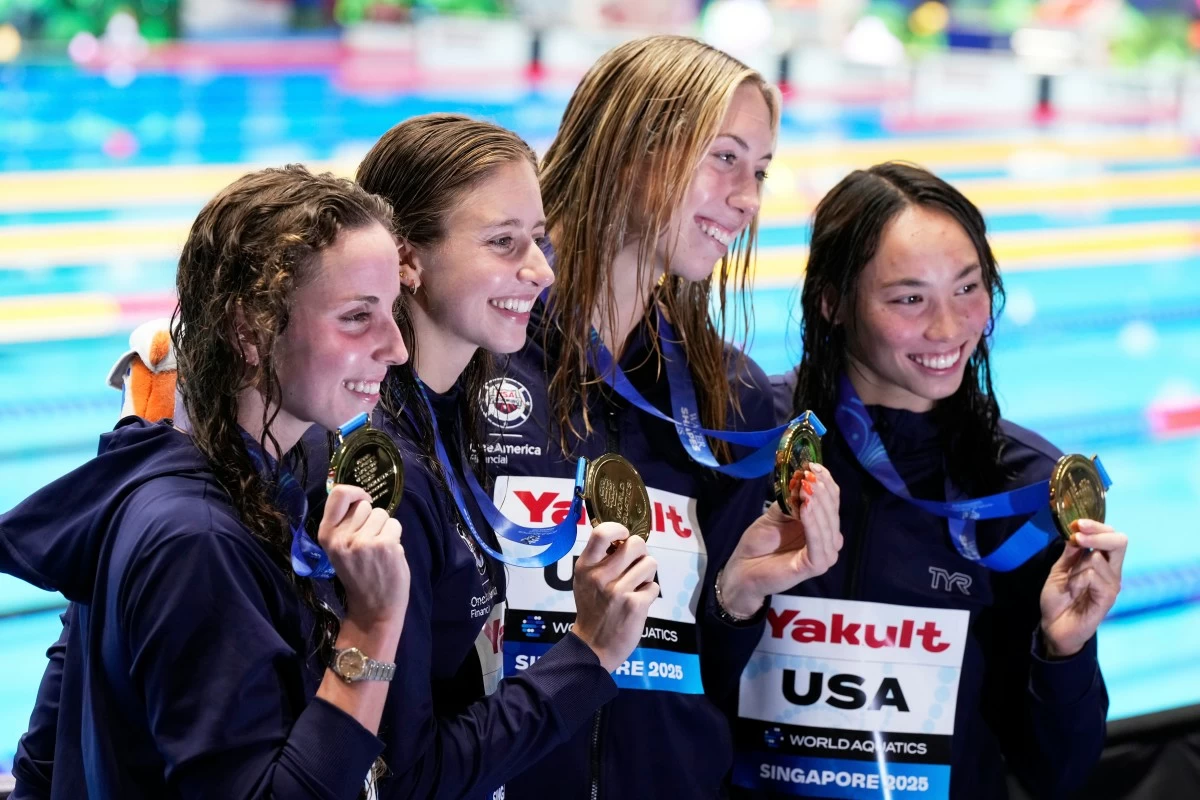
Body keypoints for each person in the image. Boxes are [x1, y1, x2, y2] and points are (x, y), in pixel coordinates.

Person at [486, 35, 844, 798]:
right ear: (630, 146)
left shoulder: (728, 397)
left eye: (761, 171)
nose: (747, 197)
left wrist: (734, 598)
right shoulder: (481, 351)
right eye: (724, 157)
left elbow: (700, 668)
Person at [2, 165, 412, 799]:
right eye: (358, 317)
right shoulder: (198, 540)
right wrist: (374, 626)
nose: (395, 346)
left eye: (391, 311)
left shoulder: (243, 475)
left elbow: (50, 734)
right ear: (249, 331)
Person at [300, 113, 658, 800]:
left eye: (538, 240)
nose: (539, 270)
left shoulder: (450, 413)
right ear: (407, 259)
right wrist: (588, 653)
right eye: (503, 243)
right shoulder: (381, 470)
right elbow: (411, 777)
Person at [741, 162, 1127, 799]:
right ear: (832, 301)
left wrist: (1064, 654)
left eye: (968, 288)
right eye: (909, 298)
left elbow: (1056, 773)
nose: (949, 329)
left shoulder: (1026, 491)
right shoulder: (755, 446)